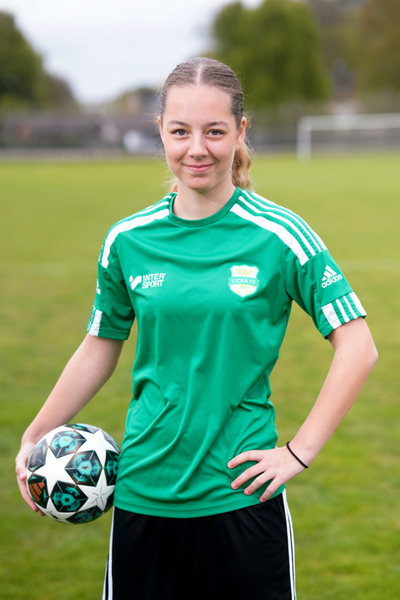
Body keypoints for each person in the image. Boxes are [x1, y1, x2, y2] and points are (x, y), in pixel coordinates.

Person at [16, 57, 378, 600]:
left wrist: (298, 451)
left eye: (215, 131)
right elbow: (99, 346)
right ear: (160, 130)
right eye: (181, 131)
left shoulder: (280, 235)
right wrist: (36, 433)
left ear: (240, 131)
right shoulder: (127, 240)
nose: (197, 149)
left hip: (240, 496)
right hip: (143, 495)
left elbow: (358, 346)